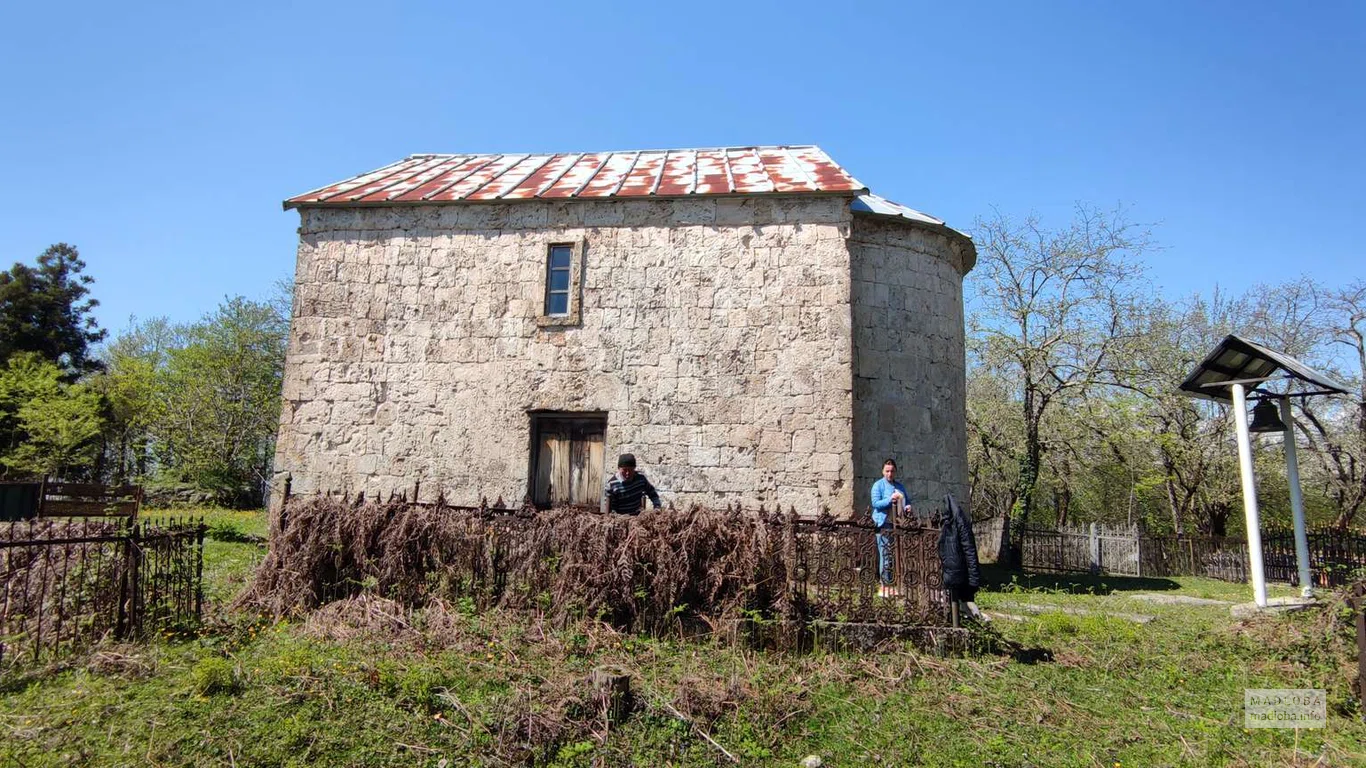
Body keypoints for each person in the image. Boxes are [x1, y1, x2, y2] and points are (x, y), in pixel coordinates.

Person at [870, 458, 909, 597]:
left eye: (892, 471)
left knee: (895, 556)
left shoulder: (899, 487)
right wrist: (890, 500)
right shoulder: (878, 485)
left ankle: (894, 584)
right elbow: (875, 503)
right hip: (884, 524)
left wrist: (908, 507)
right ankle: (884, 585)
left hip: (897, 525)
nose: (889, 474)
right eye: (887, 471)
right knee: (886, 555)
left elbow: (906, 501)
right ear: (883, 471)